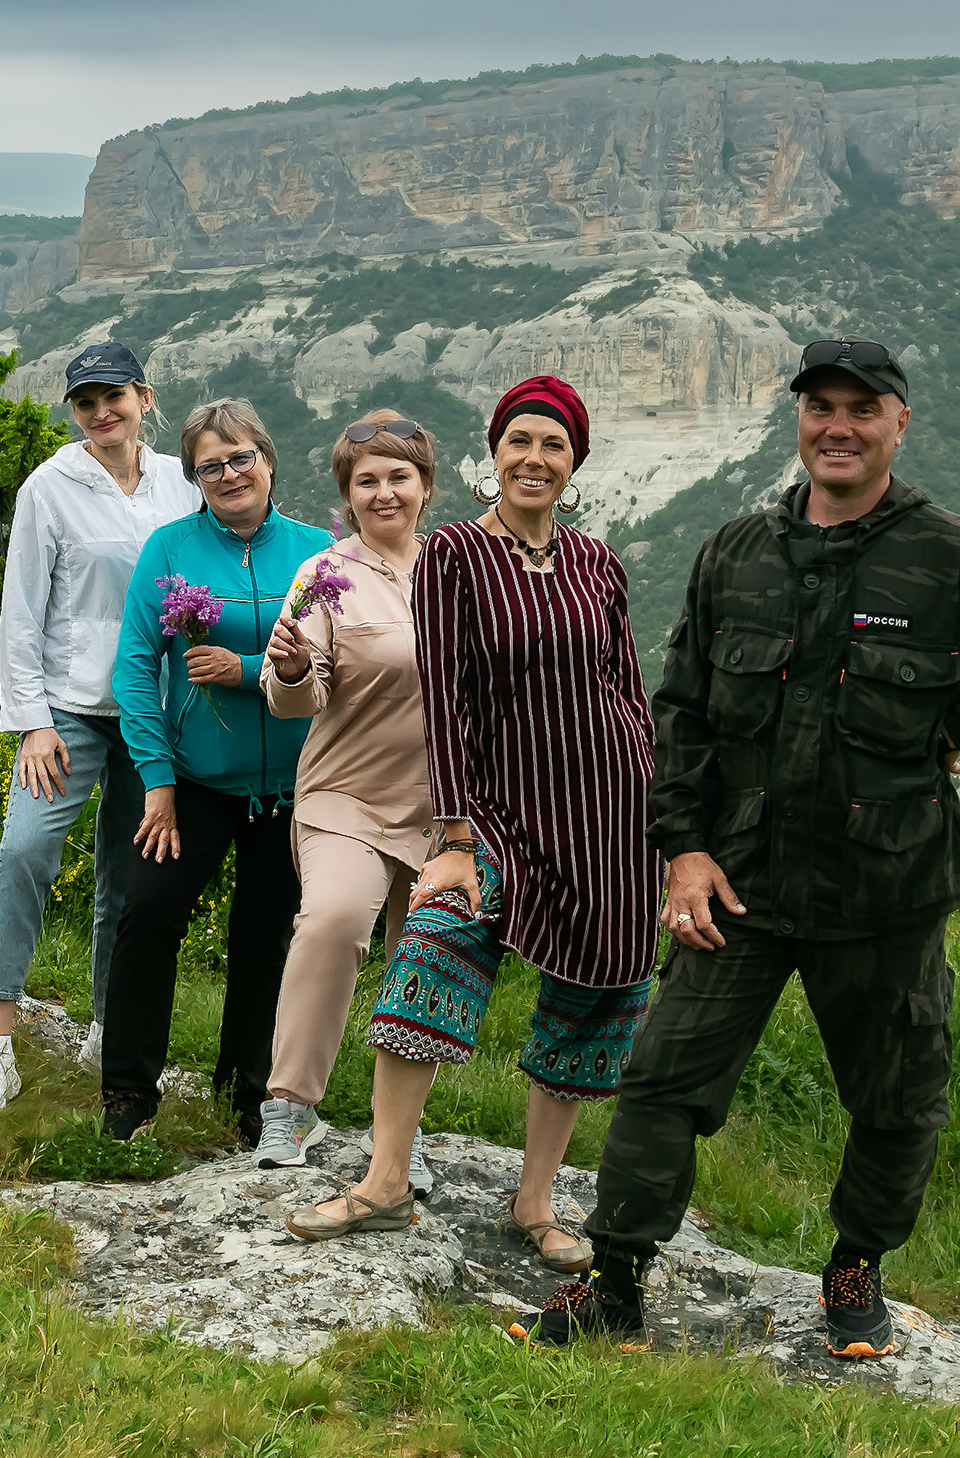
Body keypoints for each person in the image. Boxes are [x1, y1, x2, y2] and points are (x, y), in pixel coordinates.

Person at [519, 340, 960, 1359]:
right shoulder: (736, 551)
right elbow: (685, 710)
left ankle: (855, 1268)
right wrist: (685, 851)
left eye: (860, 409)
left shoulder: (951, 554)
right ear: (796, 420)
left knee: (896, 1097)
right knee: (660, 1082)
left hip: (886, 885)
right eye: (819, 408)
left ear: (897, 424)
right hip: (740, 882)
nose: (837, 427)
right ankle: (615, 1280)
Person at [284, 378, 655, 1266]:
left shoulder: (599, 564)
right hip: (494, 811)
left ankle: (536, 1203)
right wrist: (452, 838)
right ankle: (384, 1182)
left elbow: (628, 696)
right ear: (494, 456)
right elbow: (445, 702)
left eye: (554, 445)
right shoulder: (452, 554)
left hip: (607, 809)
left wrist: (663, 822)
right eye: (519, 441)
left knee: (590, 995)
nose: (535, 458)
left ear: (575, 463)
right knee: (432, 952)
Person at [0, 343, 201, 1113]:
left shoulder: (179, 483)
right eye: (85, 401)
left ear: (145, 398)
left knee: (126, 881)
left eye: (114, 397)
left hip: (151, 711)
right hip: (66, 707)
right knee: (25, 849)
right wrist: (31, 722)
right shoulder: (50, 487)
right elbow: (21, 612)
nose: (101, 413)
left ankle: (108, 1025)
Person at [100, 398, 331, 1145]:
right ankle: (129, 1095)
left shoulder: (318, 551)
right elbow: (135, 669)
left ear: (268, 459)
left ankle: (246, 1098)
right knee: (147, 914)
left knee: (266, 941)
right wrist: (156, 781)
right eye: (210, 465)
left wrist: (248, 669)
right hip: (194, 783)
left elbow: (340, 661)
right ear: (194, 477)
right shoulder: (169, 549)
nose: (229, 474)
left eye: (241, 458)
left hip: (293, 789)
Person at [246, 412, 437, 1177]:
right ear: (347, 494)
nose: (384, 492)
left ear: (426, 486)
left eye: (399, 477)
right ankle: (290, 1109)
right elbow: (291, 696)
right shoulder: (324, 574)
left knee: (427, 957)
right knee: (329, 921)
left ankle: (401, 1135)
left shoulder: (461, 568)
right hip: (347, 796)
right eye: (367, 481)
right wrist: (292, 668)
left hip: (443, 810)